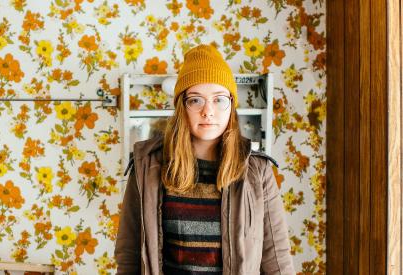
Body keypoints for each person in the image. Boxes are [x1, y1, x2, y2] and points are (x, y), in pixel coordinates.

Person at [115, 44, 295, 275]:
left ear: (231, 105)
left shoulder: (257, 171)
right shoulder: (147, 166)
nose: (208, 111)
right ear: (183, 106)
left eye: (219, 99)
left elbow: (276, 258)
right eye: (196, 100)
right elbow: (129, 255)